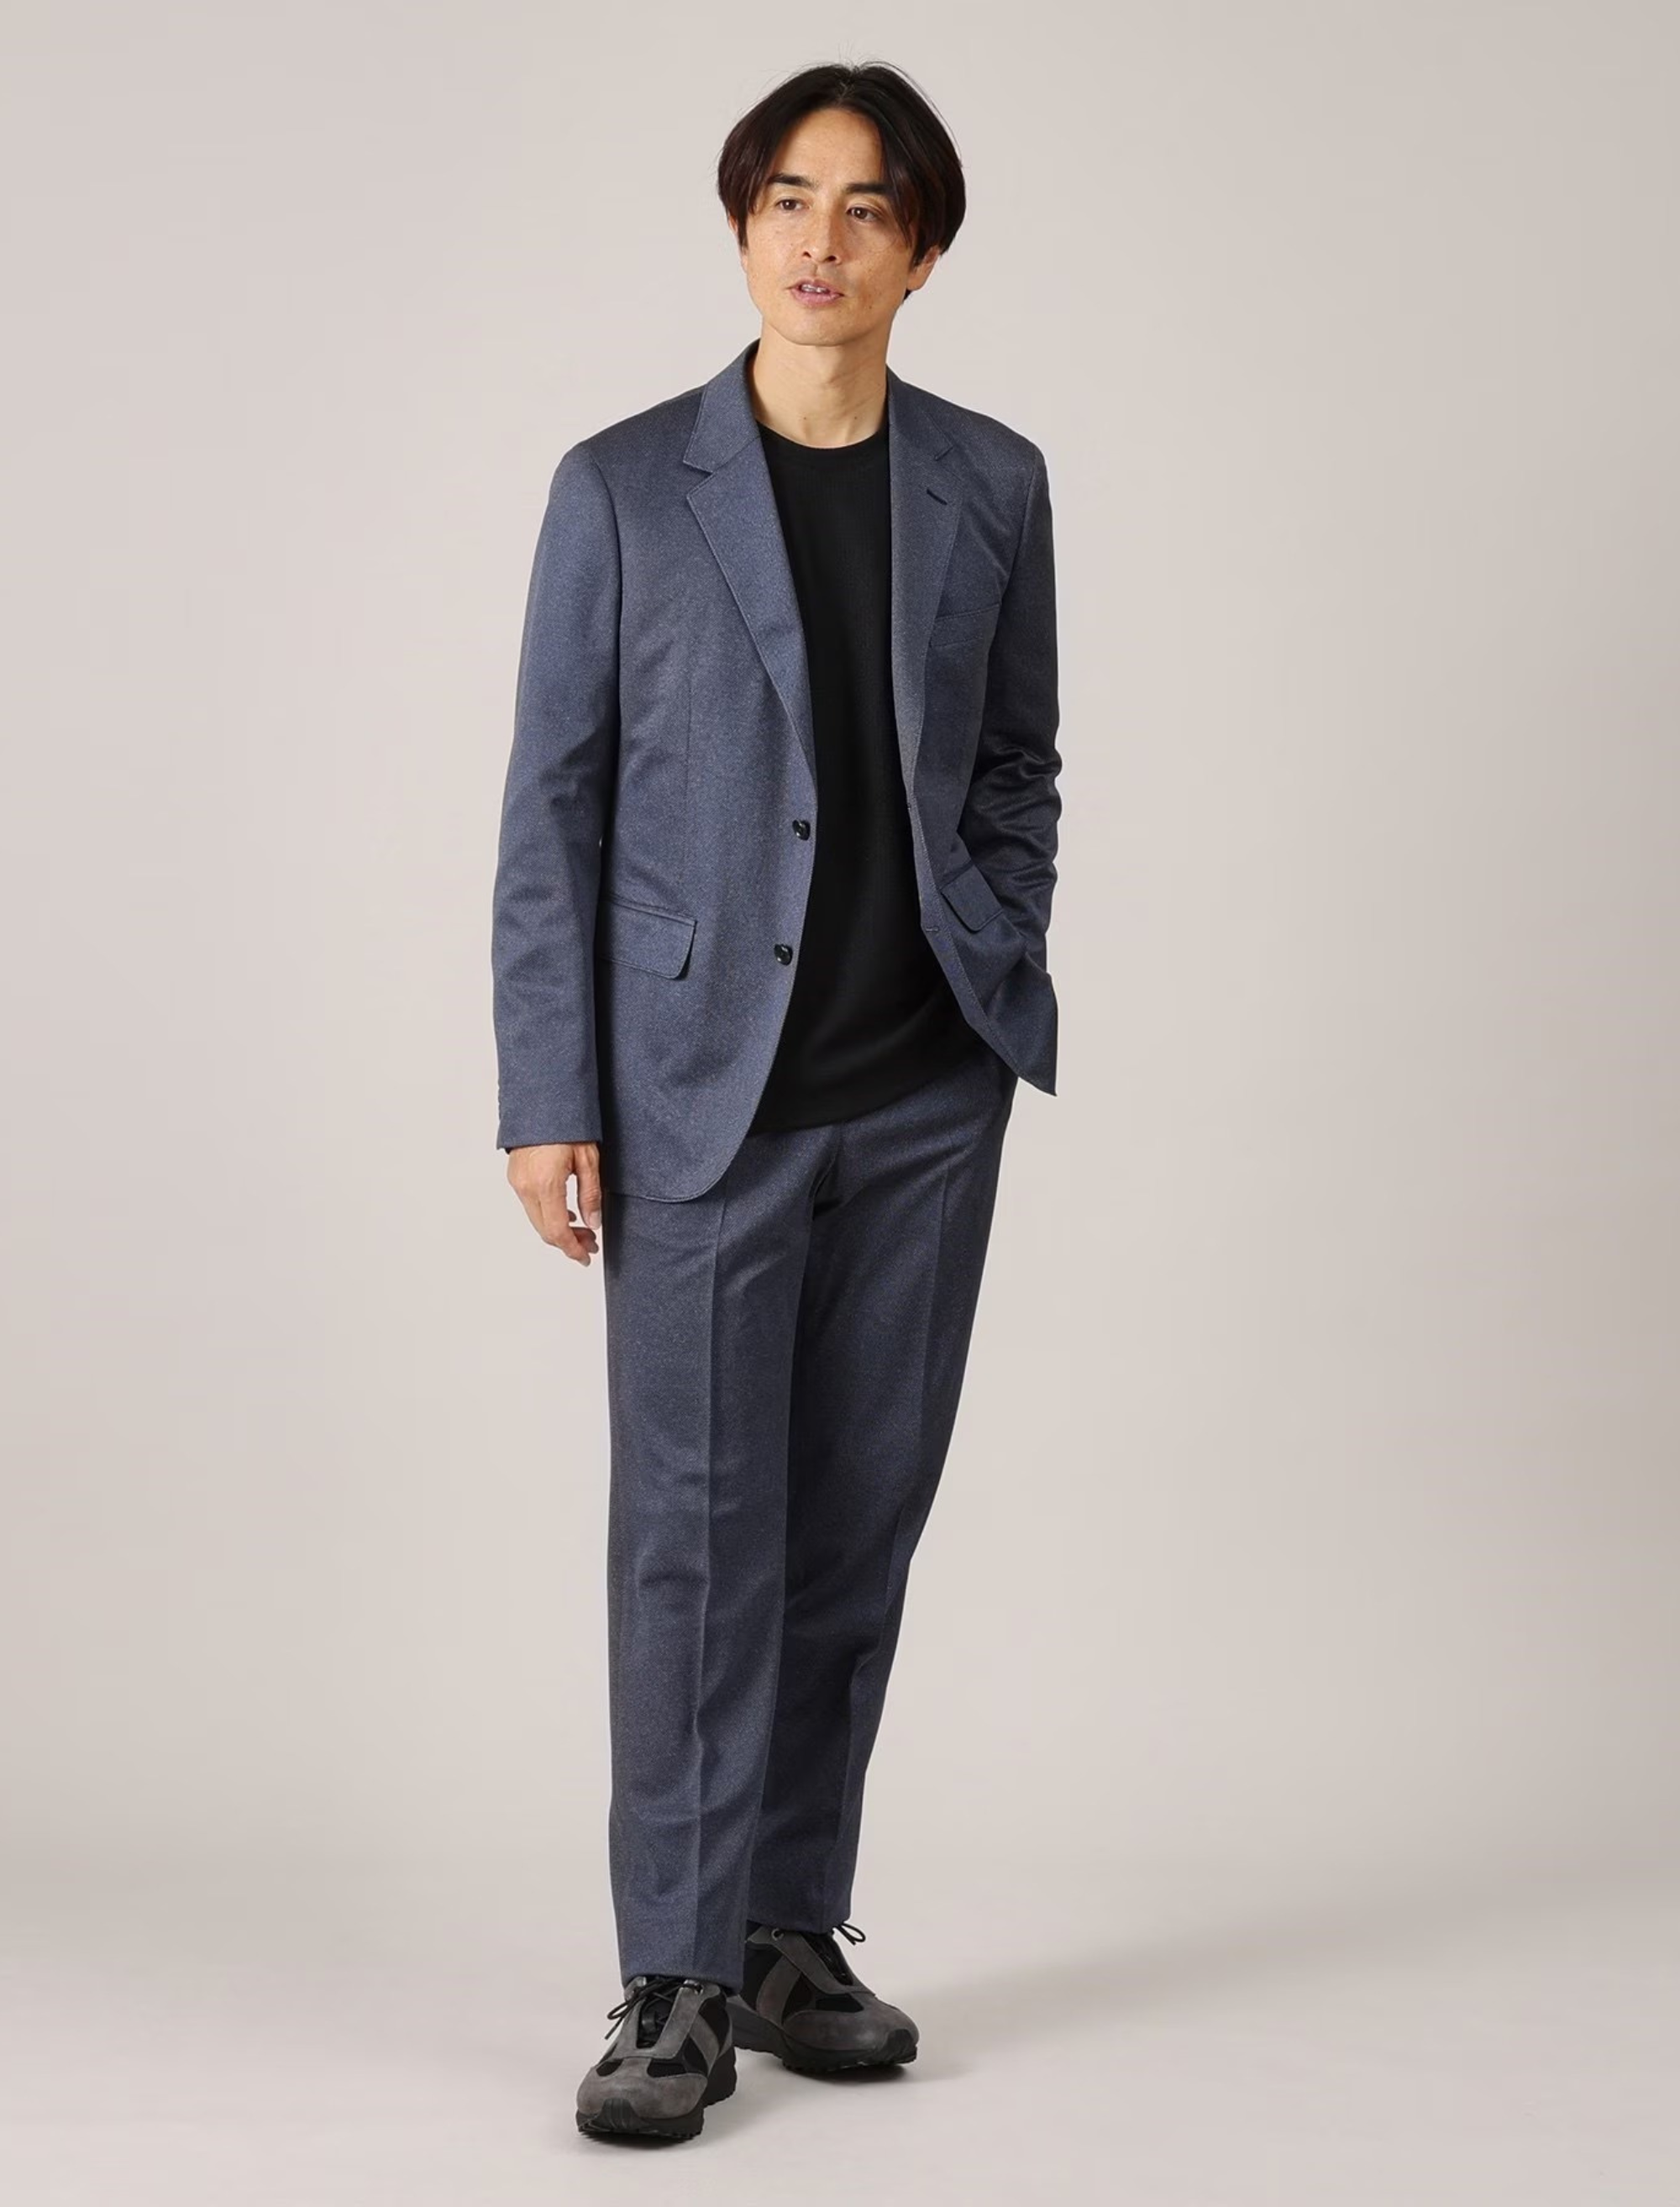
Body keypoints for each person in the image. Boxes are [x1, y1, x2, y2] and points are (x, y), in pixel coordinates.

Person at [491, 59, 1062, 2145]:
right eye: (787, 200)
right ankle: (670, 1973)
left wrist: (993, 942)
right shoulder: (621, 489)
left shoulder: (992, 481)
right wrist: (547, 1089)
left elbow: (1017, 758)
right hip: (694, 1105)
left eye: (865, 206)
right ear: (742, 228)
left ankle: (785, 1925)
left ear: (922, 250)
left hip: (924, 1097)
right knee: (695, 1542)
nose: (821, 240)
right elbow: (553, 804)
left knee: (850, 1535)